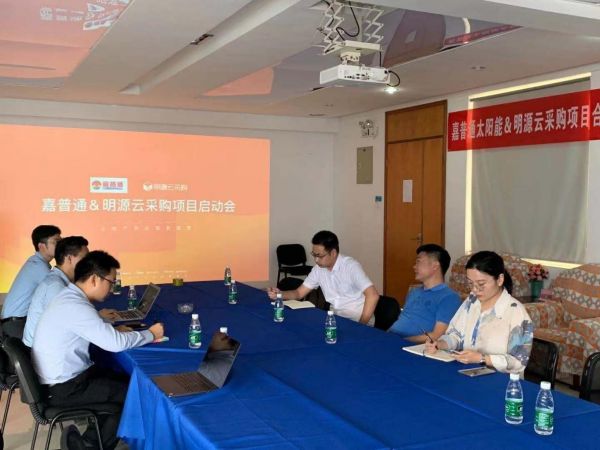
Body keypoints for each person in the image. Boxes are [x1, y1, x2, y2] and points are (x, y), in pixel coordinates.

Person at [32, 250, 164, 450]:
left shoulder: (69, 297)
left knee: (124, 380)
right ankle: (91, 446)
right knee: (131, 395)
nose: (112, 288)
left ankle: (90, 440)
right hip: (65, 388)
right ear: (94, 279)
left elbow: (85, 326)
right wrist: (151, 334)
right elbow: (115, 344)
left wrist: (107, 327)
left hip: (59, 380)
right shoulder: (76, 306)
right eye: (111, 282)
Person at [425, 251, 534, 374]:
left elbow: (518, 362)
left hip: (501, 380)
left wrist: (482, 359)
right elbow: (456, 335)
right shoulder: (471, 301)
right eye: (470, 283)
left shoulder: (516, 312)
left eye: (481, 284)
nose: (475, 289)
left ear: (500, 279)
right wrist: (440, 344)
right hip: (467, 371)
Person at [23, 236, 119, 347]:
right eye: (85, 259)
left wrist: (98, 317)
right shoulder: (56, 287)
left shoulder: (61, 280)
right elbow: (69, 325)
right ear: (69, 259)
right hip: (39, 350)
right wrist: (111, 332)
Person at [268, 230, 379, 325]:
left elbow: (373, 295)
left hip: (359, 319)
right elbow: (299, 293)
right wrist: (280, 294)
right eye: (314, 255)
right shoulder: (318, 269)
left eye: (320, 256)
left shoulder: (350, 266)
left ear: (333, 253)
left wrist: (360, 325)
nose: (316, 260)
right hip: (335, 319)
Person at [388, 244, 461, 341]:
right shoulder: (414, 292)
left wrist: (404, 341)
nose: (414, 267)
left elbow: (436, 336)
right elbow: (402, 321)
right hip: (390, 338)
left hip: (410, 345)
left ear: (435, 266)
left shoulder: (449, 297)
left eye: (418, 262)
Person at [1, 225, 61, 339]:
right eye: (56, 242)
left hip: (17, 322)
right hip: (16, 324)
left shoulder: (37, 263)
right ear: (41, 246)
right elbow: (60, 294)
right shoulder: (38, 266)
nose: (61, 246)